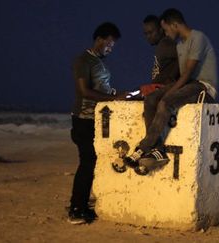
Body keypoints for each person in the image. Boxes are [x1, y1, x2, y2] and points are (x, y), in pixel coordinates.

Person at [124, 8, 218, 172]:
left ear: (174, 25)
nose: (166, 33)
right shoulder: (180, 45)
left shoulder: (198, 38)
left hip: (203, 86)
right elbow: (180, 74)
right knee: (151, 98)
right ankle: (158, 151)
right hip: (188, 84)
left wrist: (168, 92)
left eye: (166, 29)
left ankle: (143, 146)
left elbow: (188, 73)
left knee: (166, 101)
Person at [68, 22, 127, 224]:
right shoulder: (83, 60)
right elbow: (84, 91)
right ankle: (76, 209)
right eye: (109, 44)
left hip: (97, 120)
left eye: (113, 45)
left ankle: (83, 205)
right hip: (83, 120)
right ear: (99, 39)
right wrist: (113, 98)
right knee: (87, 162)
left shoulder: (100, 63)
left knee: (93, 162)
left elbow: (102, 89)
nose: (111, 48)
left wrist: (117, 95)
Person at [140, 14, 179, 96]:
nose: (148, 36)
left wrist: (171, 77)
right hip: (157, 89)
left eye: (151, 32)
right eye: (146, 34)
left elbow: (182, 57)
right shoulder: (162, 45)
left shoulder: (166, 43)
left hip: (164, 91)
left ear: (161, 30)